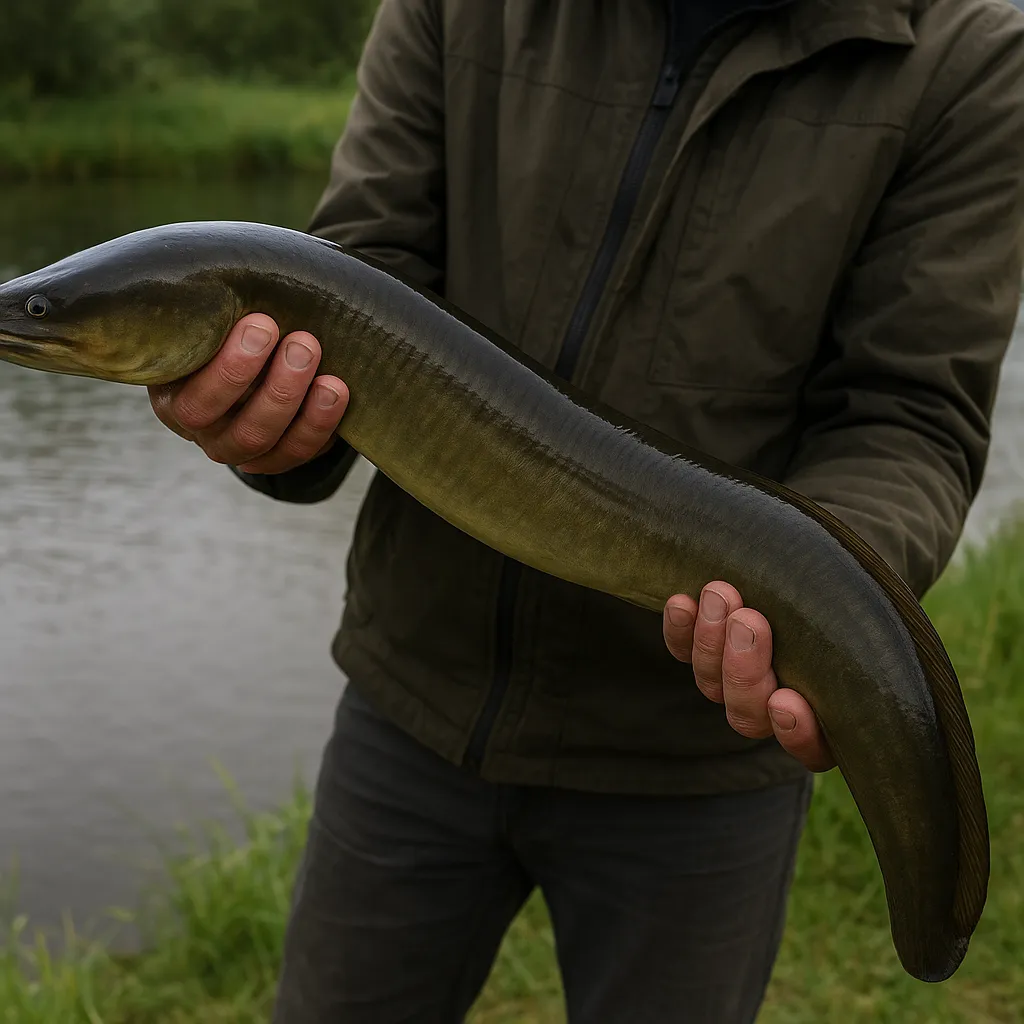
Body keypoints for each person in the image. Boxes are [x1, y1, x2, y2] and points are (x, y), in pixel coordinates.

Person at [149, 0, 1024, 1020]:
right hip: (416, 698)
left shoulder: (967, 59)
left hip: (695, 756)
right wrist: (275, 428)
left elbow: (905, 415)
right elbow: (357, 281)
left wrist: (814, 599)